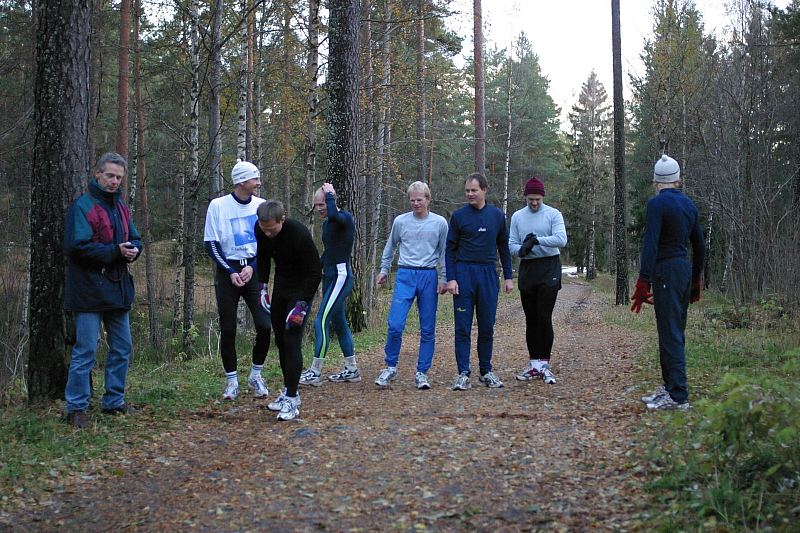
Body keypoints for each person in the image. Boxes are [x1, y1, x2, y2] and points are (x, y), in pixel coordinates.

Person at [64, 152, 142, 428]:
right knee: (86, 350)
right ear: (98, 174)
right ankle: (76, 408)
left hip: (117, 289)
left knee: (122, 347)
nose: (114, 181)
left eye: (119, 177)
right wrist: (115, 251)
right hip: (87, 290)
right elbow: (76, 247)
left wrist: (133, 250)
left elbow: (135, 238)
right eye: (110, 175)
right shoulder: (82, 206)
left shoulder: (121, 207)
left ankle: (113, 401)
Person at [632, 154, 705, 410]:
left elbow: (651, 243)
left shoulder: (657, 204)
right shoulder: (689, 204)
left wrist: (643, 280)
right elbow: (699, 245)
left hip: (666, 271)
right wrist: (695, 278)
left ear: (656, 181)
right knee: (675, 330)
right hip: (683, 270)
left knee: (669, 332)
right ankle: (670, 387)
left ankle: (678, 395)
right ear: (677, 179)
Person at [203, 160, 271, 401]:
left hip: (254, 272)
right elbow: (211, 243)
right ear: (242, 181)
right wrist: (231, 271)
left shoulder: (262, 205)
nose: (259, 183)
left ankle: (256, 375)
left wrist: (252, 267)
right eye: (255, 179)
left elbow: (268, 242)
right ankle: (231, 381)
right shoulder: (218, 206)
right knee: (228, 328)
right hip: (227, 272)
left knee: (264, 325)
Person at [374, 181, 449, 390]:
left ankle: (422, 372)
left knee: (427, 328)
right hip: (405, 274)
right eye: (412, 200)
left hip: (428, 275)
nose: (416, 203)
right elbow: (391, 245)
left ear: (428, 199)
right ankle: (390, 367)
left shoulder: (440, 223)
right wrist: (384, 269)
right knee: (395, 324)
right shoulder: (401, 221)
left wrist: (444, 278)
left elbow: (444, 252)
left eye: (419, 200)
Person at [445, 173, 514, 390]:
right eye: (467, 190)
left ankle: (486, 371)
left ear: (484, 190)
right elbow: (450, 249)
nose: (470, 194)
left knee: (486, 326)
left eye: (474, 190)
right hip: (464, 273)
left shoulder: (496, 216)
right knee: (462, 327)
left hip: (488, 274)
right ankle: (463, 373)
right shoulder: (458, 216)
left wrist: (509, 277)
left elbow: (503, 247)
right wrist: (451, 278)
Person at [255, 200, 322, 420]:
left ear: (282, 220)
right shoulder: (260, 229)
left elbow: (315, 272)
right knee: (281, 341)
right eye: (264, 229)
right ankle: (288, 391)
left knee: (292, 339)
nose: (268, 234)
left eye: (271, 229)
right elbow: (263, 258)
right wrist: (262, 287)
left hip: (301, 289)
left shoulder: (299, 233)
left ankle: (292, 400)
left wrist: (302, 306)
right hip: (281, 287)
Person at [298, 183, 360, 386]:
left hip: (341, 277)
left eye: (322, 204)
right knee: (338, 322)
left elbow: (334, 215)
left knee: (321, 321)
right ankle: (351, 369)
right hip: (330, 276)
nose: (319, 209)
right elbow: (330, 251)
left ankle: (315, 372)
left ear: (332, 201)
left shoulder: (344, 218)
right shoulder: (326, 225)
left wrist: (331, 195)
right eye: (316, 205)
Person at [508, 177, 568, 384]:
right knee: (531, 318)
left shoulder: (553, 214)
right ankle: (534, 364)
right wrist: (521, 250)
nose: (534, 203)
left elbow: (561, 239)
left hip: (549, 266)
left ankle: (544, 364)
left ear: (543, 197)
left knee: (544, 316)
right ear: (525, 197)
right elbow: (511, 244)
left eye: (538, 199)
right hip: (528, 268)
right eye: (531, 199)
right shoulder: (518, 216)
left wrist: (536, 241)